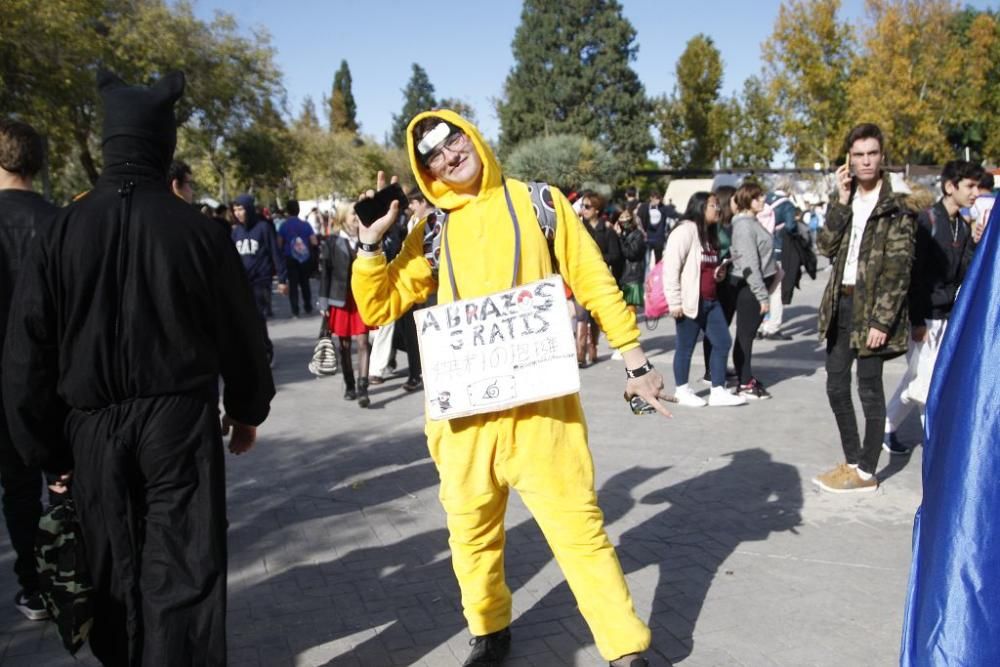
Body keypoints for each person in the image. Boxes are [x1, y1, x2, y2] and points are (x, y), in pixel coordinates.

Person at [351, 109, 670, 667]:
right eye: (435, 157)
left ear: (470, 135)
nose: (450, 156)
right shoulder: (432, 230)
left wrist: (634, 361)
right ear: (428, 174)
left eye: (454, 140)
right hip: (464, 423)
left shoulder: (539, 203)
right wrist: (371, 247)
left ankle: (623, 647)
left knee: (579, 530)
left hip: (542, 414)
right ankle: (489, 630)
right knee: (472, 537)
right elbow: (378, 305)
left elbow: (592, 277)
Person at [2, 70, 274, 666]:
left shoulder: (60, 231)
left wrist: (49, 453)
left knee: (112, 572)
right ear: (163, 146)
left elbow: (27, 355)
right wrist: (247, 411)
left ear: (107, 144)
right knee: (183, 570)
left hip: (91, 431)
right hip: (179, 427)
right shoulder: (201, 233)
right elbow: (243, 335)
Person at [812, 123, 916, 494]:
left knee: (868, 388)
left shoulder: (897, 205)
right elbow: (824, 246)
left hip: (873, 307)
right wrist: (840, 202)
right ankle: (854, 461)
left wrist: (882, 319)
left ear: (882, 156)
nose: (866, 161)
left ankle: (867, 471)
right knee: (835, 385)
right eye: (859, 155)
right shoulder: (846, 197)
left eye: (872, 153)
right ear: (849, 160)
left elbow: (899, 269)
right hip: (841, 302)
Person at [883, 160, 981, 454]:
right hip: (925, 317)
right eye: (970, 186)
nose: (975, 193)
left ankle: (886, 427)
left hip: (945, 317)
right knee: (925, 385)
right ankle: (935, 441)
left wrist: (975, 242)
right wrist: (917, 321)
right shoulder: (928, 221)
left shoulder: (960, 227)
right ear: (951, 187)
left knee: (919, 379)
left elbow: (964, 272)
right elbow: (914, 275)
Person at [0, 118, 56, 622]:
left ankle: (35, 583)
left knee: (17, 488)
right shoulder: (61, 221)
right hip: (62, 377)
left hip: (4, 384)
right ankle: (78, 570)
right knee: (67, 478)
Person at [663, 192, 747, 408]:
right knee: (686, 346)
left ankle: (718, 390)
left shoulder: (709, 233)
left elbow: (706, 266)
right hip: (690, 300)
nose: (717, 209)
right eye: (712, 205)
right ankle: (682, 390)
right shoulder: (685, 231)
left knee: (722, 342)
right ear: (700, 207)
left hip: (711, 299)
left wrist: (718, 274)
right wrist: (674, 302)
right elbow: (670, 267)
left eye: (718, 205)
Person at [319, 206, 373, 406]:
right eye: (353, 215)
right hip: (339, 300)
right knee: (344, 346)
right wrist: (323, 302)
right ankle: (349, 384)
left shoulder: (367, 238)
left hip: (361, 299)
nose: (357, 219)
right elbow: (325, 273)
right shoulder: (332, 242)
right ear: (343, 218)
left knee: (363, 343)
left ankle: (363, 388)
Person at [729, 182, 776, 400]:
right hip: (750, 288)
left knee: (746, 336)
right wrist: (762, 295)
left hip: (756, 286)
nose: (763, 200)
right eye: (757, 197)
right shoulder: (744, 226)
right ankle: (745, 383)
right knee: (745, 336)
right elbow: (750, 264)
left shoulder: (751, 222)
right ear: (748, 200)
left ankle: (746, 377)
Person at [232, 193, 287, 365]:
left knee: (258, 317)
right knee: (244, 319)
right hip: (242, 282)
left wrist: (282, 279)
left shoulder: (263, 228)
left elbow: (275, 253)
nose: (238, 213)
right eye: (235, 210)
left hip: (261, 281)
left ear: (248, 208)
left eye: (241, 209)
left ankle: (266, 351)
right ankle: (251, 352)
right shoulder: (236, 232)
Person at [577, 191, 622, 367]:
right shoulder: (578, 228)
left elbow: (615, 255)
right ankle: (580, 354)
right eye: (582, 206)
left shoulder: (608, 230)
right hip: (580, 278)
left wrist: (597, 260)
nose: (584, 209)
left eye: (587, 206)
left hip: (599, 279)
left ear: (597, 210)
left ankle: (593, 347)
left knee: (594, 317)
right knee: (581, 316)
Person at [277, 199, 318, 318]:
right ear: (298, 210)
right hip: (304, 258)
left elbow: (279, 243)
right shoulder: (305, 225)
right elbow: (314, 241)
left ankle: (295, 310)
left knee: (293, 285)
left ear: (287, 211)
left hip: (290, 258)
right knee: (305, 283)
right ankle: (308, 306)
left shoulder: (283, 226)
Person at [616, 208, 646, 314]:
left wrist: (620, 237)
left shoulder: (637, 234)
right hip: (621, 275)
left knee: (630, 307)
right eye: (621, 217)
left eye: (626, 217)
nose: (624, 220)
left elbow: (631, 254)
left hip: (632, 275)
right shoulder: (621, 233)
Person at [636, 189, 671, 270]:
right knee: (646, 262)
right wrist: (642, 231)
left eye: (659, 198)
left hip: (659, 239)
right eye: (656, 198)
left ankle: (656, 278)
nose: (658, 201)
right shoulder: (644, 207)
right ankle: (646, 279)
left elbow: (672, 216)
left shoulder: (663, 208)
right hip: (647, 238)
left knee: (658, 262)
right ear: (651, 198)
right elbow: (637, 218)